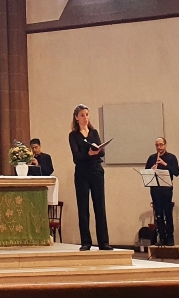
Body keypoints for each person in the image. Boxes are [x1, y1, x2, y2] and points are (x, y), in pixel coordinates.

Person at [68, 104, 112, 251]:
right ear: (76, 117)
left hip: (96, 171)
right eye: (82, 115)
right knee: (83, 207)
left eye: (87, 115)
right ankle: (86, 242)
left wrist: (97, 151)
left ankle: (103, 242)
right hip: (82, 173)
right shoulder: (73, 135)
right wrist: (89, 154)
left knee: (100, 207)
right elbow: (76, 157)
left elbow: (102, 153)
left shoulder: (94, 132)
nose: (85, 118)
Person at [144, 137, 179, 246]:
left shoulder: (171, 157)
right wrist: (152, 169)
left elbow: (176, 172)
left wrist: (165, 165)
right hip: (155, 189)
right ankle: (162, 238)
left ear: (165, 145)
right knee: (158, 214)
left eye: (161, 145)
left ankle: (170, 238)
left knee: (167, 213)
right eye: (157, 145)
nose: (159, 147)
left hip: (167, 189)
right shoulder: (152, 158)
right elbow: (146, 173)